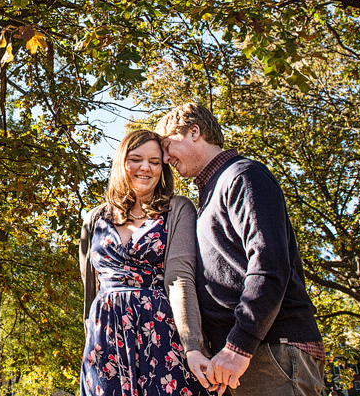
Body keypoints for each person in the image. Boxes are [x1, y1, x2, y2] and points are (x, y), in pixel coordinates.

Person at [156, 103, 325, 396]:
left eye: (168, 145)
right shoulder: (209, 193)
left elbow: (269, 264)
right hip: (239, 359)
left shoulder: (243, 176)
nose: (166, 157)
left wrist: (239, 346)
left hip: (271, 352)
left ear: (194, 132)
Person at [79, 129, 214, 396]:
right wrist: (89, 340)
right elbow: (90, 289)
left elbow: (179, 279)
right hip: (104, 335)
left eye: (154, 162)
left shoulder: (178, 209)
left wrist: (193, 346)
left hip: (160, 330)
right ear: (122, 162)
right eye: (137, 159)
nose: (146, 168)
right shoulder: (94, 219)